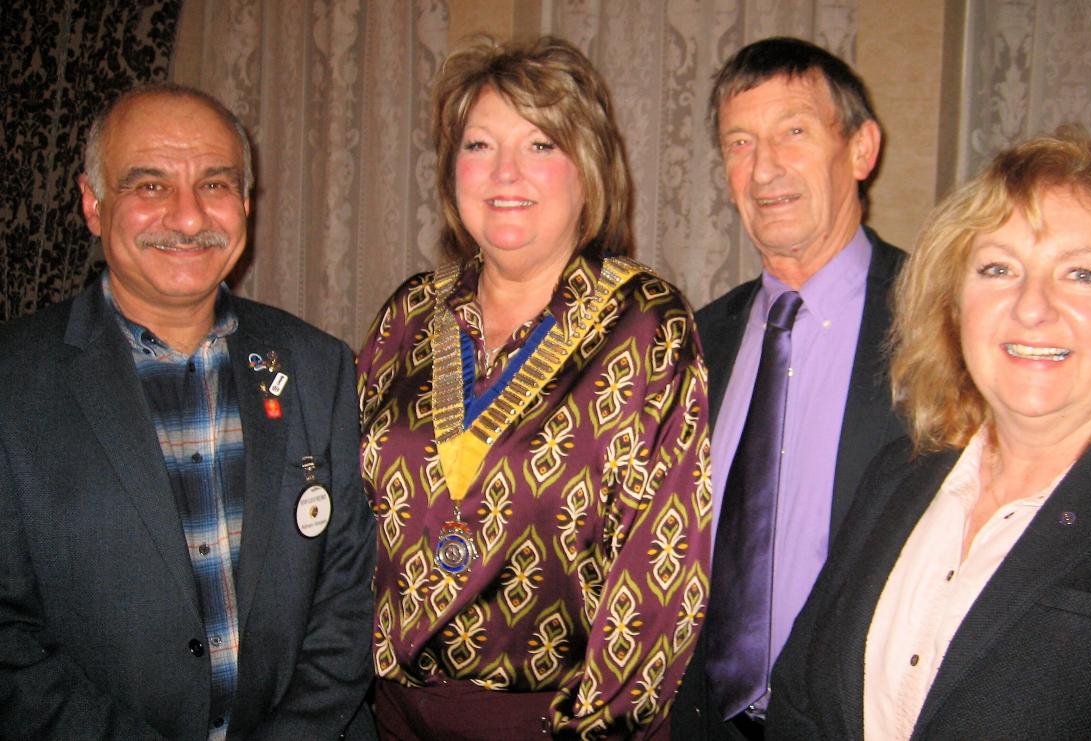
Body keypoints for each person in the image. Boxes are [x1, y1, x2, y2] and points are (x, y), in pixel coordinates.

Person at [767, 130, 1091, 739]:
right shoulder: (901, 473)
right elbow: (801, 698)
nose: (1030, 307)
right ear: (953, 308)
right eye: (998, 268)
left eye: (1082, 274)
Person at [358, 37, 710, 739]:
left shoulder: (644, 325)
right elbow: (348, 525)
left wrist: (597, 728)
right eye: (480, 145)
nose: (504, 173)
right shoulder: (408, 315)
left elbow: (660, 575)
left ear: (589, 169)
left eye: (541, 144)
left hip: (551, 724)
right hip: (388, 715)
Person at [0, 84, 377, 740]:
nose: (186, 215)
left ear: (247, 204)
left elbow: (349, 599)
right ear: (93, 203)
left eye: (215, 183)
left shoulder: (320, 366)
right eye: (148, 185)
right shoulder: (13, 382)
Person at [673, 37, 906, 740]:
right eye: (739, 142)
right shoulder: (694, 340)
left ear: (862, 150)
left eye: (794, 132)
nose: (764, 167)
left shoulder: (944, 328)